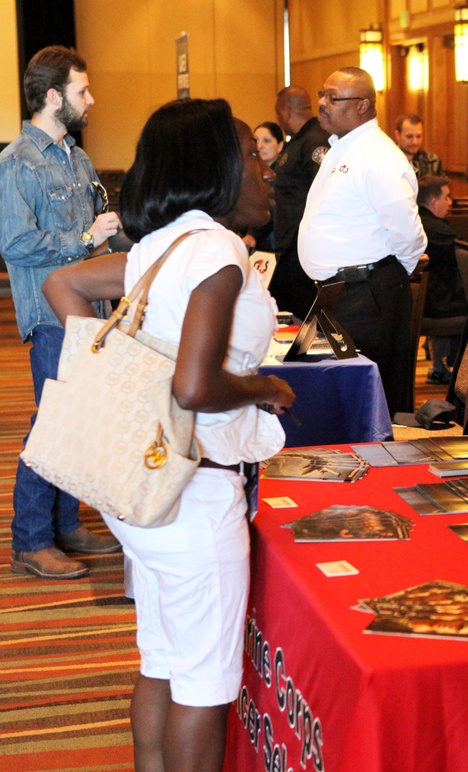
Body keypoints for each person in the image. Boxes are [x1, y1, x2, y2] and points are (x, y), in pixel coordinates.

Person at [42, 98, 295, 770]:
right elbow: (194, 386)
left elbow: (62, 285)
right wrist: (265, 388)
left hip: (143, 487)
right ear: (212, 166)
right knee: (204, 688)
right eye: (248, 155)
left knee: (163, 660)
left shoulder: (162, 244)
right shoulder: (215, 249)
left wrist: (120, 373)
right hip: (194, 491)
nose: (264, 168)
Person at [0, 46, 124, 580]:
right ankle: (30, 538)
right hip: (50, 312)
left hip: (90, 309)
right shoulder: (16, 163)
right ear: (54, 97)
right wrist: (84, 238)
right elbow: (16, 244)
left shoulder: (76, 157)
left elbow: (98, 235)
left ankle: (65, 521)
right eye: (81, 91)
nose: (90, 99)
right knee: (53, 424)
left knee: (78, 419)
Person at [299, 67, 427, 416]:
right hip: (337, 293)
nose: (322, 104)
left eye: (333, 97)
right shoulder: (342, 147)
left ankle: (378, 466)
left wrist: (383, 275)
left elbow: (408, 233)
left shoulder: (378, 155)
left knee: (370, 401)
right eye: (322, 94)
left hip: (367, 294)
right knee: (332, 395)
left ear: (363, 105)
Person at [270, 85, 330, 318]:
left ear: (285, 112)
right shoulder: (300, 140)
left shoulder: (315, 141)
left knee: (304, 319)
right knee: (287, 316)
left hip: (302, 248)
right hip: (290, 245)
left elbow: (323, 192)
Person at [417, 175, 465, 384]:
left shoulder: (417, 221)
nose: (450, 202)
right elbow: (466, 252)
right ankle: (467, 372)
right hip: (435, 303)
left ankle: (439, 366)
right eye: (447, 197)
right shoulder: (435, 229)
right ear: (434, 202)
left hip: (424, 298)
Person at [242, 121, 285, 254]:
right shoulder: (250, 174)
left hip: (274, 242)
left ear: (280, 145)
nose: (260, 146)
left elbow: (273, 210)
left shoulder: (284, 176)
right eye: (256, 141)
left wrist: (252, 234)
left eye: (266, 141)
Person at [395, 113, 443, 179]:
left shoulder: (433, 162)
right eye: (409, 137)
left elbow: (443, 188)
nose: (415, 142)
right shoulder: (387, 162)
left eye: (418, 136)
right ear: (397, 135)